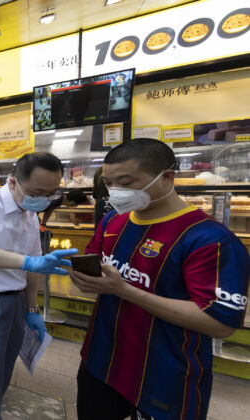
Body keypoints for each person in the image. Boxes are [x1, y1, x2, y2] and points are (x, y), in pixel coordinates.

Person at [69, 138, 249, 420]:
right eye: (109, 183)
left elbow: (220, 322)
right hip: (99, 364)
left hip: (164, 377)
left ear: (166, 177)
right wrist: (84, 278)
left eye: (126, 182)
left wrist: (125, 290)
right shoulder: (113, 222)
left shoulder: (209, 239)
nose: (116, 192)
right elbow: (96, 270)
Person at [0, 152, 77, 420]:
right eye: (37, 191)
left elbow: (33, 262)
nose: (44, 198)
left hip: (15, 301)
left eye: (52, 192)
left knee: (3, 369)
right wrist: (27, 263)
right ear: (13, 182)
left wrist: (32, 307)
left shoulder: (30, 215)